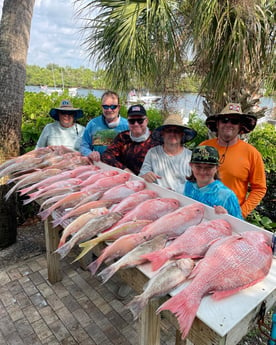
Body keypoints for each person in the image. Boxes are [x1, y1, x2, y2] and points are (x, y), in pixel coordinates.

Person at [200, 103, 266, 218]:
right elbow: (191, 177)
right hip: (202, 211)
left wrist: (240, 213)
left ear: (240, 126)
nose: (229, 124)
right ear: (217, 123)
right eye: (225, 120)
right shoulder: (204, 147)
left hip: (231, 217)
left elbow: (259, 188)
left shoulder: (252, 154)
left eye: (234, 121)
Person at [139, 114, 197, 193]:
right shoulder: (153, 153)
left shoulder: (191, 156)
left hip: (184, 200)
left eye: (176, 131)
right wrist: (146, 175)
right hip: (157, 198)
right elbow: (142, 175)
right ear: (163, 133)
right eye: (169, 130)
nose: (172, 134)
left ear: (182, 134)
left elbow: (198, 183)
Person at [184, 145, 243, 219]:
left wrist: (227, 216)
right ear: (191, 165)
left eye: (209, 167)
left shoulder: (227, 196)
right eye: (198, 167)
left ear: (217, 168)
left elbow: (240, 226)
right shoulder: (189, 185)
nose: (203, 171)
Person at [101, 104, 160, 175]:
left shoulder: (157, 140)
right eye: (132, 121)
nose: (136, 124)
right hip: (125, 179)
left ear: (146, 121)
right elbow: (106, 155)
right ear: (128, 122)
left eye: (140, 120)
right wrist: (125, 169)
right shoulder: (122, 137)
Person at [80, 90, 129, 162]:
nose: (109, 110)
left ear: (119, 107)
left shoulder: (128, 125)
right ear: (101, 107)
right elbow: (84, 146)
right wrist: (89, 153)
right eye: (105, 106)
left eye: (113, 106)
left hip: (122, 167)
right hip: (99, 165)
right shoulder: (92, 124)